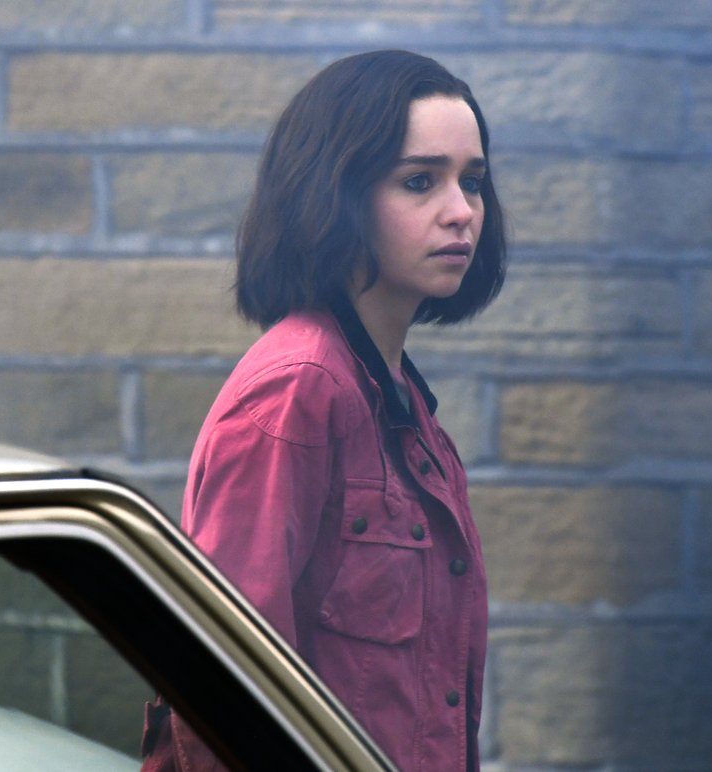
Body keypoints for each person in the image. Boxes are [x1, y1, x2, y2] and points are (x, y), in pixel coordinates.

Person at [145, 50, 507, 771]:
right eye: (419, 181)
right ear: (335, 194)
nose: (461, 211)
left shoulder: (400, 400)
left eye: (472, 181)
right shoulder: (298, 390)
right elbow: (222, 685)